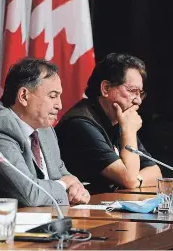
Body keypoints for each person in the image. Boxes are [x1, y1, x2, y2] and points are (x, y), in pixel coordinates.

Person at [0, 58, 90, 217]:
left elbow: (63, 174)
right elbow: (29, 194)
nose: (60, 105)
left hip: (27, 220)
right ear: (23, 96)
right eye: (52, 96)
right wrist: (64, 185)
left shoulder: (45, 130)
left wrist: (76, 188)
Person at [55, 53, 162, 194]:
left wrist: (137, 180)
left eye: (140, 93)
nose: (138, 101)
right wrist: (129, 132)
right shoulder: (80, 124)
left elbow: (155, 172)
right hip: (79, 211)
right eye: (131, 91)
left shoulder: (119, 119)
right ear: (105, 88)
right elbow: (128, 179)